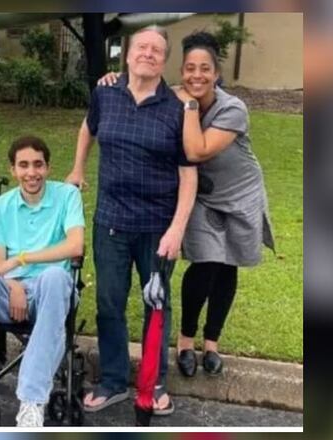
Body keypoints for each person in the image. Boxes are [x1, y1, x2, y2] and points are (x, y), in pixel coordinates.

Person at [98, 31, 275, 377]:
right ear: (181, 70)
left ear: (217, 74)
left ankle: (212, 343)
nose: (197, 75)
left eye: (205, 69)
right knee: (206, 262)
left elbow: (197, 150)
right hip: (202, 194)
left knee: (228, 266)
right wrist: (114, 77)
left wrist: (190, 106)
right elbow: (139, 82)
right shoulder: (175, 97)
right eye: (190, 68)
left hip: (240, 193)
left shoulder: (232, 108)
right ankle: (185, 341)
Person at [66, 25, 197, 416]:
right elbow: (88, 128)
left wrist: (177, 229)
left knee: (156, 305)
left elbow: (188, 174)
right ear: (127, 53)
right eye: (142, 46)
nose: (148, 53)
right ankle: (112, 380)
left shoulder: (177, 108)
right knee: (109, 303)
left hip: (157, 228)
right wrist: (78, 168)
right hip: (111, 222)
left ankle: (154, 383)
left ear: (164, 60)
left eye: (157, 50)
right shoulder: (105, 92)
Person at [0, 135, 85, 427]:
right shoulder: (0, 206)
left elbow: (75, 246)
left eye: (38, 164)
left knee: (54, 276)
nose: (31, 172)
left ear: (48, 167)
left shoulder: (67, 196)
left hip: (51, 292)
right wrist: (14, 285)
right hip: (10, 290)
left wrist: (23, 259)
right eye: (23, 165)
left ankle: (32, 401)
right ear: (13, 170)